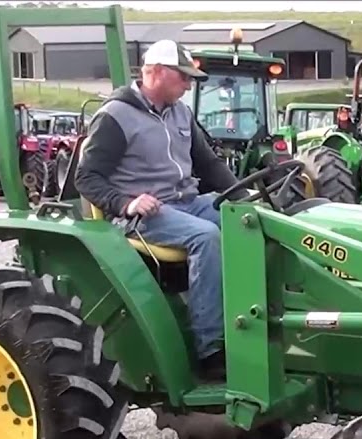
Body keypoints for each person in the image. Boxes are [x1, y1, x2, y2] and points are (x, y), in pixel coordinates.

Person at [75, 39, 245, 381]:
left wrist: (243, 196)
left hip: (187, 203)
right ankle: (210, 348)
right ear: (157, 74)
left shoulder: (180, 112)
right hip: (142, 214)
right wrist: (126, 202)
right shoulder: (116, 116)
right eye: (183, 77)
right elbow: (86, 177)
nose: (188, 84)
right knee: (207, 237)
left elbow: (208, 164)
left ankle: (248, 328)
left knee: (248, 223)